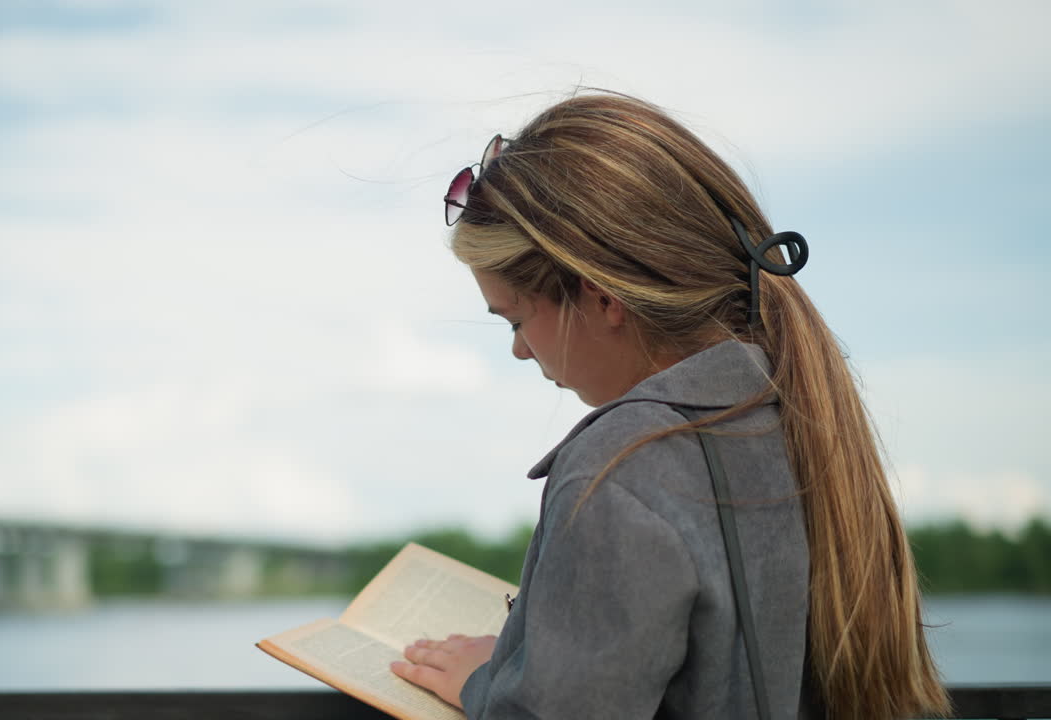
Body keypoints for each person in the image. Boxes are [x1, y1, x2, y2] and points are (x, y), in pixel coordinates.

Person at [388, 92, 949, 720]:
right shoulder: (795, 407)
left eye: (516, 317)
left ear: (602, 299)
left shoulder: (621, 466)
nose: (519, 350)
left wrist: (489, 684)